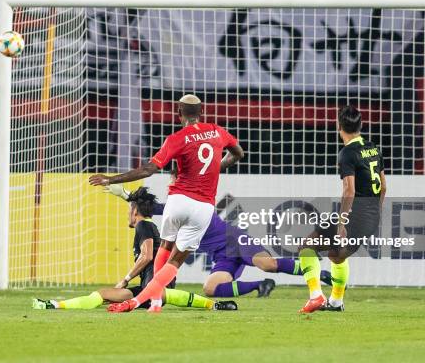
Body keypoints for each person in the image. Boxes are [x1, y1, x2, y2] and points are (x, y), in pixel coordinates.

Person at [90, 94, 244, 313]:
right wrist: (215, 168)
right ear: (201, 112)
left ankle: (151, 302)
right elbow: (239, 153)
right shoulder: (218, 131)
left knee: (164, 247)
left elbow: (148, 170)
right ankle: (145, 302)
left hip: (179, 200)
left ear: (179, 113)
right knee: (175, 262)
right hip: (203, 207)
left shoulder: (177, 138)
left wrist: (110, 179)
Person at [104, 171, 333, 298]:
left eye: (172, 183)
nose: (169, 188)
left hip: (235, 240)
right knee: (210, 289)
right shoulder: (176, 205)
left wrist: (125, 193)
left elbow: (155, 208)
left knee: (268, 263)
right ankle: (260, 286)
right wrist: (124, 194)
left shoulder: (193, 200)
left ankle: (318, 272)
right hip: (221, 255)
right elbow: (150, 208)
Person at [32, 187, 236, 312]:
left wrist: (126, 278)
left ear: (134, 210)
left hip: (152, 287)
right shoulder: (149, 226)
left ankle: (53, 305)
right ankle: (54, 304)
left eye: (130, 209)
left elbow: (147, 255)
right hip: (152, 288)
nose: (128, 214)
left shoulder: (144, 226)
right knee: (104, 295)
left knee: (160, 295)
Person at [298, 105, 386, 313]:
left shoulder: (347, 153)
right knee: (336, 256)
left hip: (354, 218)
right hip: (370, 217)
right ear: (361, 125)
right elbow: (383, 186)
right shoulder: (373, 148)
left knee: (306, 246)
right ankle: (336, 302)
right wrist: (376, 215)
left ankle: (316, 297)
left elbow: (349, 190)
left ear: (339, 126)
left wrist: (342, 224)